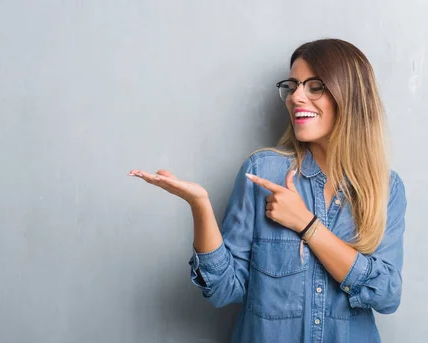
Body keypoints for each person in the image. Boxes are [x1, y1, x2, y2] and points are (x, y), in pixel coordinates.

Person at [129, 38, 407, 343]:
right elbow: (223, 290)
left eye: (314, 86)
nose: (295, 97)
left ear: (350, 95)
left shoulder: (386, 189)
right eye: (292, 86)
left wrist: (306, 224)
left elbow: (386, 295)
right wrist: (200, 205)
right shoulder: (262, 171)